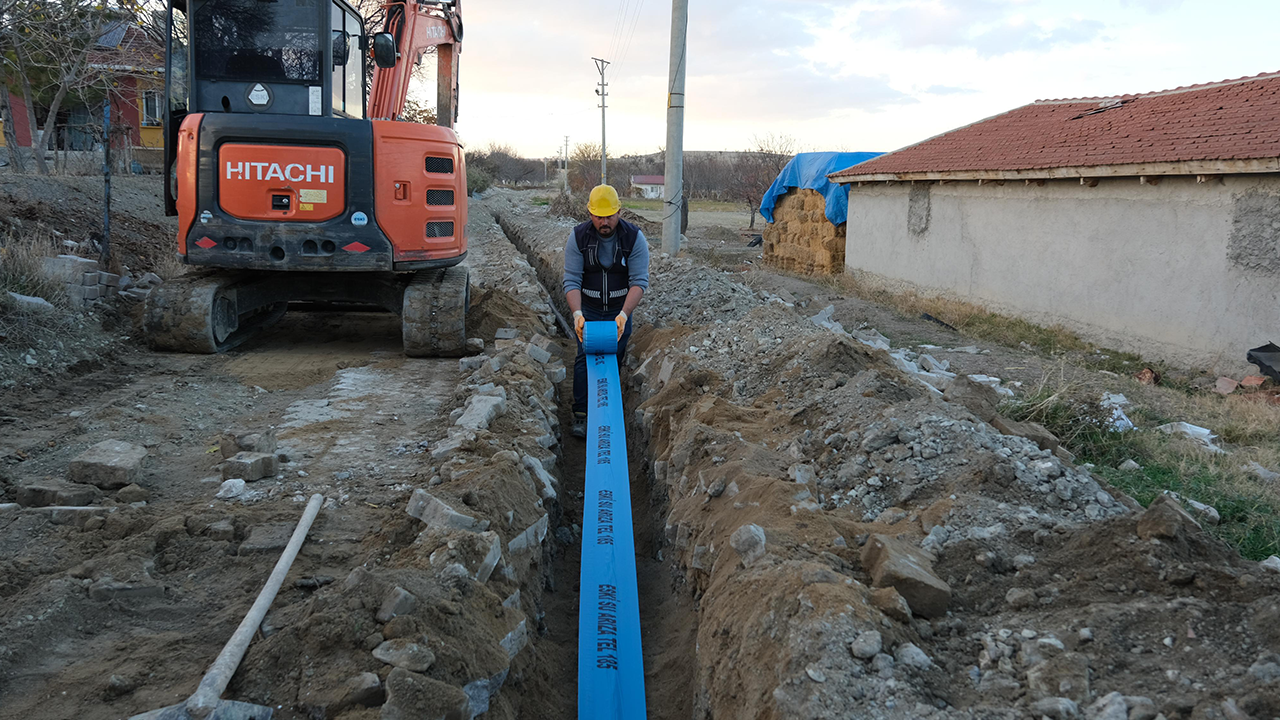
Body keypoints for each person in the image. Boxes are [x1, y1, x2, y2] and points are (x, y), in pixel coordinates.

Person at [563, 184, 651, 439]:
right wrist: (577, 314)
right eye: (599, 216)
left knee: (614, 360)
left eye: (609, 216)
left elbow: (638, 281)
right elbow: (571, 279)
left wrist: (623, 315)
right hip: (588, 310)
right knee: (584, 359)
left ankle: (609, 414)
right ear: (590, 213)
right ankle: (581, 413)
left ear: (619, 212)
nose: (604, 222)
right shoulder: (578, 238)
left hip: (618, 312)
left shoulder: (633, 238)